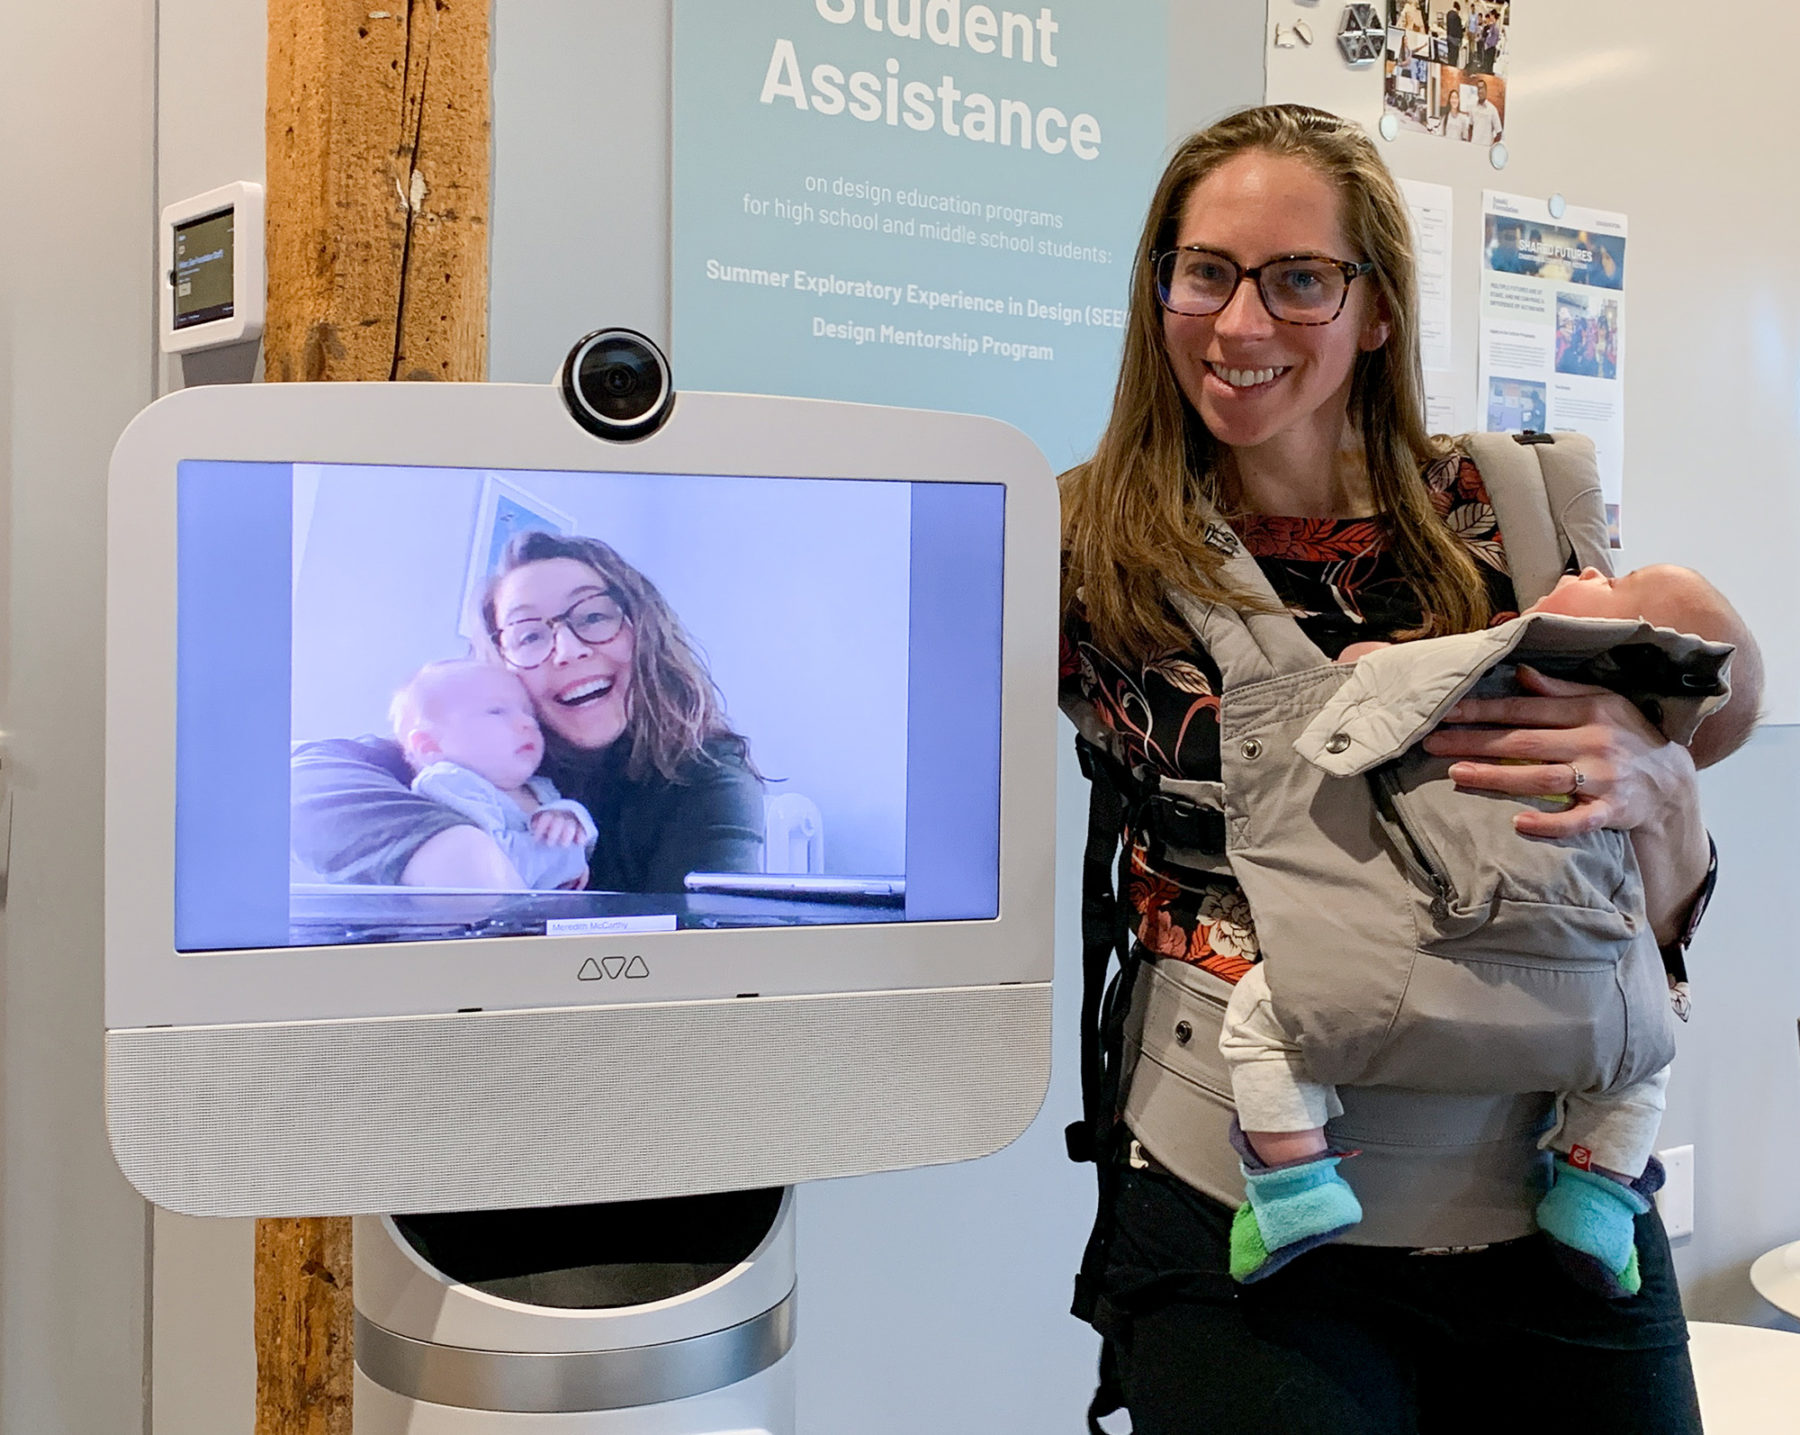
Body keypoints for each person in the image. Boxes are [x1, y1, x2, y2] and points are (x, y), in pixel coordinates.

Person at [1060, 104, 1714, 1433]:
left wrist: (1669, 779)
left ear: (1375, 310)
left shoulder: (1514, 513)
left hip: (1556, 1206)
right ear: (1160, 290)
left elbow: (1687, 755)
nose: (1242, 322)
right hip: (1244, 1221)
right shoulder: (1084, 544)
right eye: (1206, 272)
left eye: (1300, 278)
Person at [1222, 564, 1761, 1296]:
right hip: (1587, 978)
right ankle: (1597, 1198)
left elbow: (1359, 681)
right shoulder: (1629, 743)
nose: (1590, 566)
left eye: (1616, 582)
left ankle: (1295, 1185)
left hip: (1433, 948)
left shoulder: (1496, 656)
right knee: (1643, 1062)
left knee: (1266, 1017)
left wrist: (1366, 660)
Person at [291, 530, 765, 893]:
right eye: (530, 635)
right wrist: (450, 845)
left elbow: (708, 957)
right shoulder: (473, 755)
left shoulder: (710, 776)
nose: (567, 649)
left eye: (594, 616)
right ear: (502, 666)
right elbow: (294, 775)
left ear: (646, 630)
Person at [389, 658, 598, 891]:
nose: (527, 723)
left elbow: (585, 845)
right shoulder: (449, 782)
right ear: (429, 746)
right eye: (496, 711)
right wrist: (570, 854)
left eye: (530, 713)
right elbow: (498, 866)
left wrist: (569, 816)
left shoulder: (541, 788)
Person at [1469, 76, 1504, 145]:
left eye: (1482, 88)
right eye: (1478, 89)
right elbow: (1470, 127)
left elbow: (1499, 132)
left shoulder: (1492, 109)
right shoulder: (1472, 107)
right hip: (1473, 145)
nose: (1480, 91)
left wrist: (1492, 146)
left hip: (1485, 147)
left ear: (1486, 90)